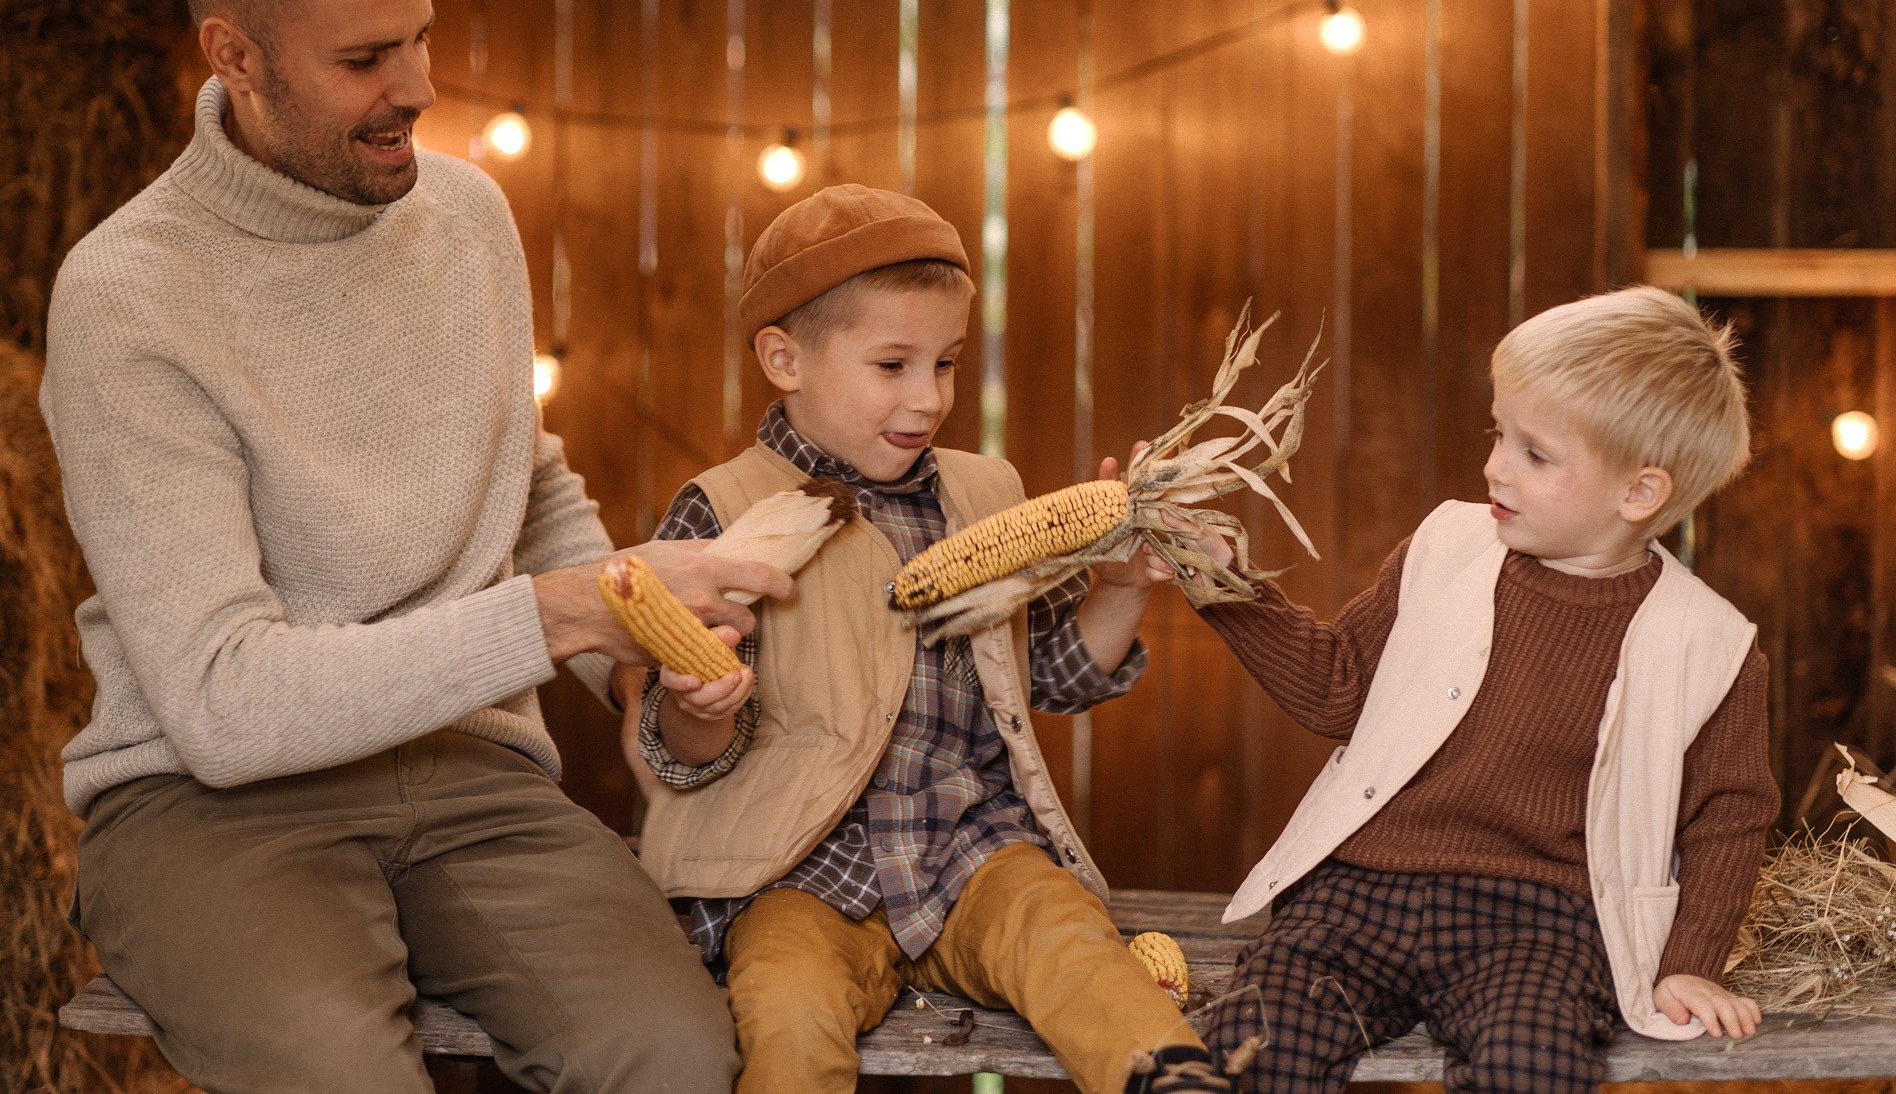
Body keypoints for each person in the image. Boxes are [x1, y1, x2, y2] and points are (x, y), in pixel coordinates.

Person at [40, 0, 789, 1094]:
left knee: (673, 1054)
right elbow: (226, 706)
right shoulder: (128, 296)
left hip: (468, 772)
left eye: (422, 40)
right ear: (233, 56)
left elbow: (531, 488)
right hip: (206, 805)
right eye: (364, 61)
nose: (418, 90)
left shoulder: (468, 218)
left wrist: (634, 668)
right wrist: (565, 614)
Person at [627, 183, 1233, 1094]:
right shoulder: (721, 515)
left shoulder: (985, 496)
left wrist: (1114, 589)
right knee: (787, 1014)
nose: (928, 398)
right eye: (893, 365)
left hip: (969, 848)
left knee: (1072, 943)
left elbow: (1046, 676)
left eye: (946, 364)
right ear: (785, 358)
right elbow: (682, 757)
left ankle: (1176, 1079)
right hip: (795, 872)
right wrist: (693, 704)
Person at [1192, 286, 1778, 1093]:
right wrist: (1229, 587)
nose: (1495, 463)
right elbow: (1339, 688)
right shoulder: (1444, 550)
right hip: (1360, 891)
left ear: (1639, 493)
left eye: (1535, 453)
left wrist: (1689, 965)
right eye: (1499, 431)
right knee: (1252, 1045)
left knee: (1533, 1064)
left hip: (1540, 922)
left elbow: (1729, 818)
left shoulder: (1708, 643)